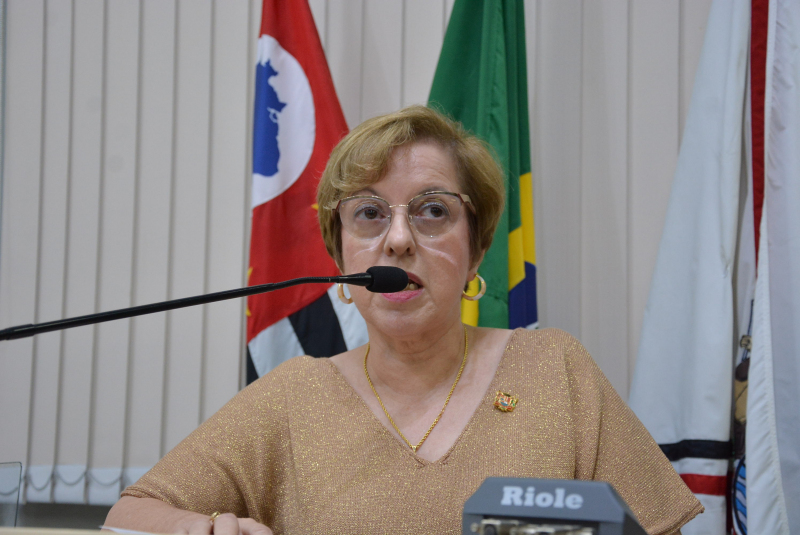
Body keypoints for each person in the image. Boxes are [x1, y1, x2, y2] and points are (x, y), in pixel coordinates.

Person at [106, 106, 702, 535]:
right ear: (341, 257)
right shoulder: (294, 396)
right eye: (368, 214)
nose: (397, 240)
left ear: (476, 250)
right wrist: (204, 528)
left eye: (432, 211)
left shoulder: (555, 370)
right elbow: (130, 514)